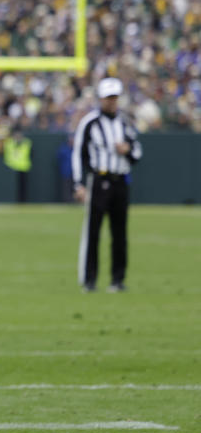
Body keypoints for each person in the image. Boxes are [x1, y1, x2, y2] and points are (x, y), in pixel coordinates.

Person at [71, 77, 143, 293]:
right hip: (99, 180)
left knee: (119, 233)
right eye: (108, 97)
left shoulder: (125, 123)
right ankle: (89, 280)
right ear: (101, 99)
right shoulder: (90, 123)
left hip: (120, 180)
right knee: (93, 232)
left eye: (115, 97)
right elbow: (78, 154)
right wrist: (78, 184)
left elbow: (138, 151)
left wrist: (127, 150)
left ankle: (118, 280)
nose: (112, 102)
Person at [3, 126, 32, 203]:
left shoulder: (26, 142)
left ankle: (23, 202)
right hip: (11, 168)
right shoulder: (9, 143)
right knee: (12, 187)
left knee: (23, 187)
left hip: (23, 168)